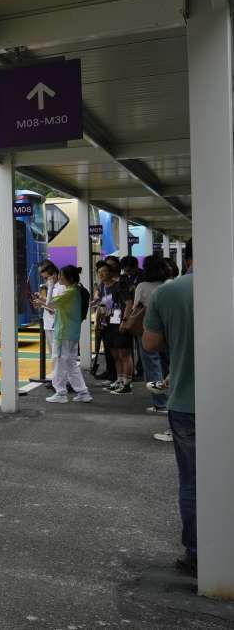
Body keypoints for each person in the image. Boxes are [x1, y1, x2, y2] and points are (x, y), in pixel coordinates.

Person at [141, 240, 196, 576]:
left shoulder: (168, 293)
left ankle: (197, 552)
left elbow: (150, 343)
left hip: (186, 399)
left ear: (186, 258)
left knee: (192, 480)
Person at [42, 266, 92, 403]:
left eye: (61, 275)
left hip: (62, 332)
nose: (59, 277)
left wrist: (50, 287)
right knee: (71, 363)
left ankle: (60, 392)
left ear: (69, 278)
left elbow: (50, 303)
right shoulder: (76, 291)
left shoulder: (70, 292)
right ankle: (83, 392)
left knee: (58, 361)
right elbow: (56, 308)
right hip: (72, 333)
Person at [126, 255, 169, 413]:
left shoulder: (142, 286)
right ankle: (170, 400)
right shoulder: (168, 285)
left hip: (146, 330)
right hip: (167, 329)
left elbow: (135, 308)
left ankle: (160, 402)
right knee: (167, 364)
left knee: (152, 365)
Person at [95, 261, 135, 394]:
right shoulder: (102, 287)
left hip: (120, 323)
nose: (101, 274)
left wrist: (124, 320)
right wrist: (99, 321)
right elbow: (102, 306)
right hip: (108, 324)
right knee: (115, 354)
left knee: (124, 353)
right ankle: (119, 380)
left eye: (104, 271)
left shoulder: (119, 286)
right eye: (99, 272)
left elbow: (129, 303)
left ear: (111, 273)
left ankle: (127, 383)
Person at [31, 260, 65, 363]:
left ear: (54, 274)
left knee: (58, 358)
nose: (45, 281)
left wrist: (42, 304)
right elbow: (51, 303)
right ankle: (58, 378)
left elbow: (57, 309)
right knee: (54, 357)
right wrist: (42, 299)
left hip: (57, 327)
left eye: (46, 278)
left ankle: (59, 379)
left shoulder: (61, 288)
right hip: (50, 325)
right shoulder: (53, 287)